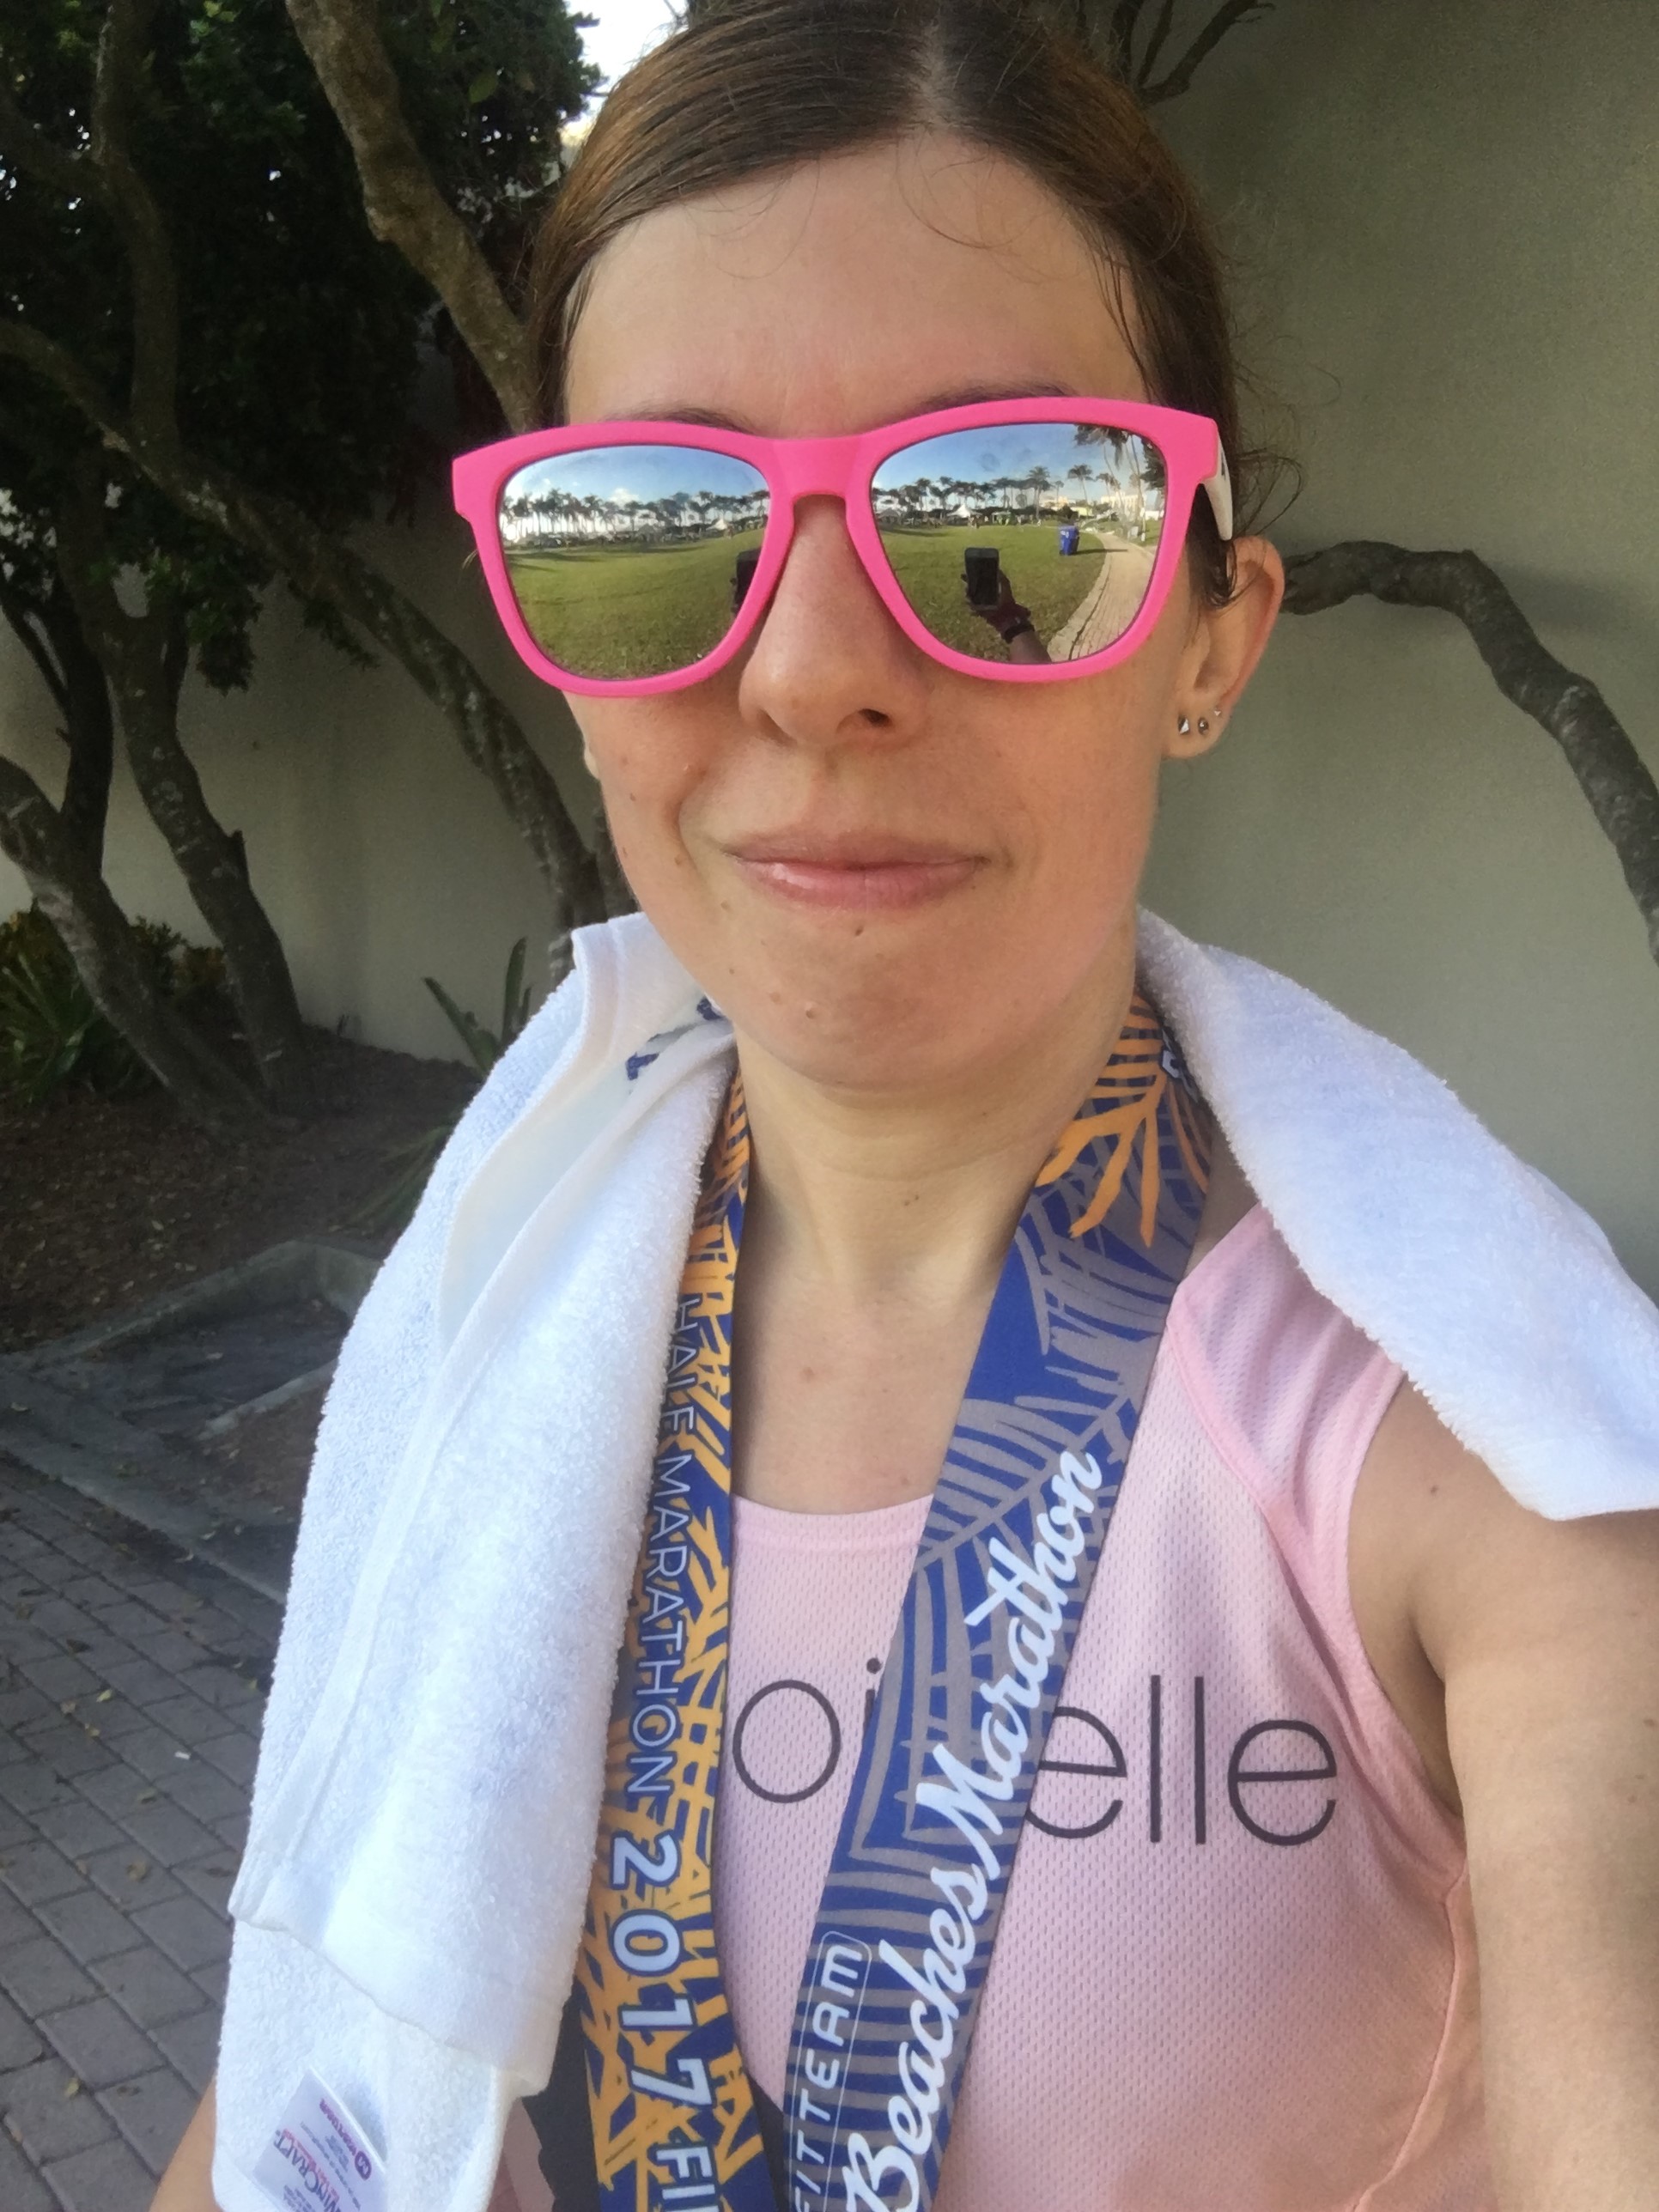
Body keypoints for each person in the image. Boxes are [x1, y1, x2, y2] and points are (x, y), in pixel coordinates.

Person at [154, 3, 1659, 2209]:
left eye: (1008, 512)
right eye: (654, 528)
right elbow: (309, 2077)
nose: (808, 670)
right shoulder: (508, 1306)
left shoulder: (1483, 1474)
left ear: (1213, 635)